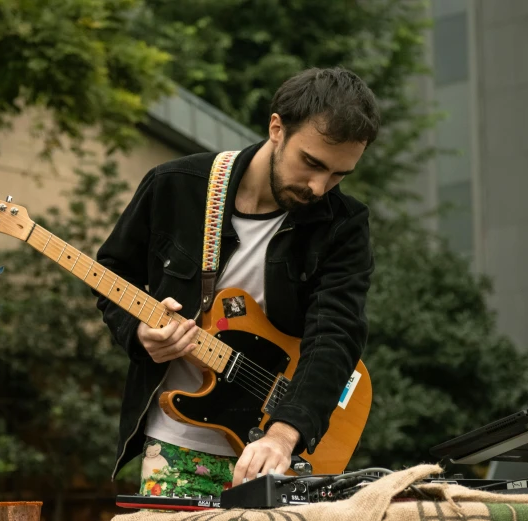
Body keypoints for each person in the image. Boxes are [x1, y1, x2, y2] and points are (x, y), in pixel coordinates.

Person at [96, 67, 380, 497]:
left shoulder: (344, 224)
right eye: (312, 163)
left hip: (283, 455)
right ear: (276, 127)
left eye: (340, 175)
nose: (321, 187)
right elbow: (113, 275)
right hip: (177, 445)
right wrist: (137, 332)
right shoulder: (175, 187)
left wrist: (286, 433)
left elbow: (336, 333)